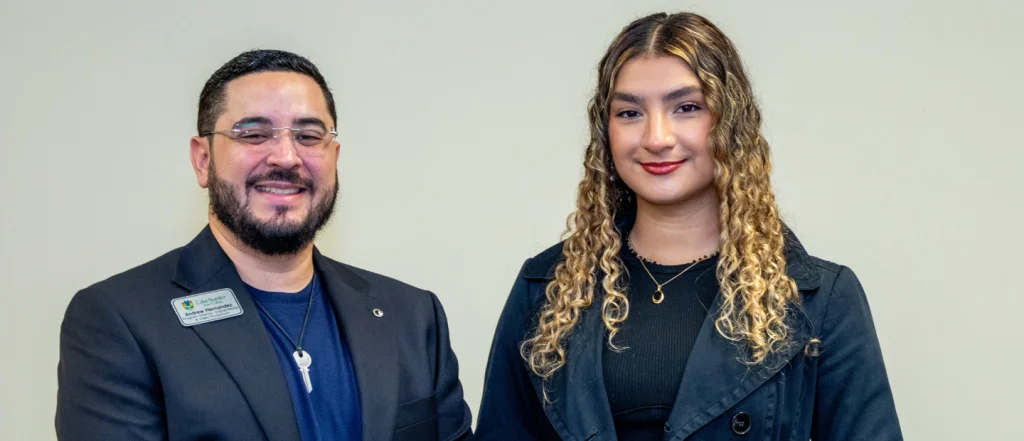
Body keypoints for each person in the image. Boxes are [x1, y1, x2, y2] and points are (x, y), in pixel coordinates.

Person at [476, 12, 902, 441]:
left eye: (686, 108)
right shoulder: (547, 288)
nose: (656, 137)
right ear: (605, 132)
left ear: (730, 123)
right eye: (629, 113)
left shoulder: (819, 299)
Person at [56, 49, 473, 441]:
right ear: (203, 160)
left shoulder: (413, 316)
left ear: (335, 156)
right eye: (254, 134)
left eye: (309, 136)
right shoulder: (119, 320)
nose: (287, 157)